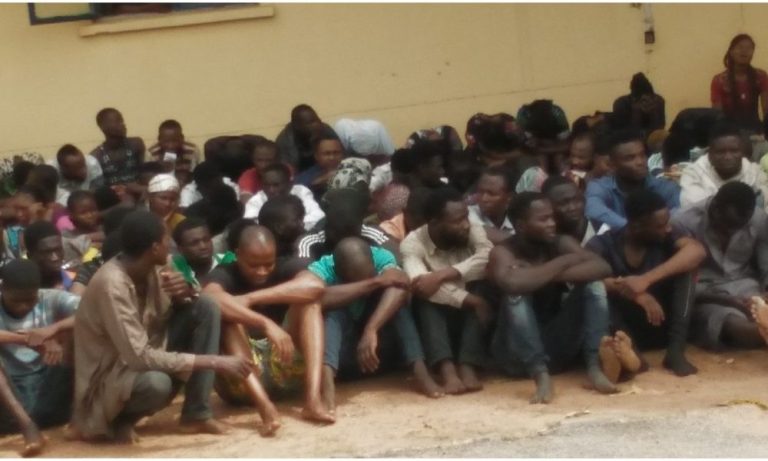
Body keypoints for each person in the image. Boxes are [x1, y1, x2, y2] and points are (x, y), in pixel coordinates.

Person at [72, 211, 255, 442]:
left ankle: (197, 413)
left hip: (150, 349)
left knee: (206, 306)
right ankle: (118, 422)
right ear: (154, 247)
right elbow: (139, 357)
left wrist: (185, 292)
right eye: (166, 239)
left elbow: (177, 310)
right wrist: (215, 362)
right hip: (110, 377)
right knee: (157, 383)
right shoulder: (112, 285)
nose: (170, 244)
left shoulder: (159, 263)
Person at [202, 224, 334, 431]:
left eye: (268, 264)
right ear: (238, 255)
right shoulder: (224, 273)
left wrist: (250, 298)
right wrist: (265, 323)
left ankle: (312, 399)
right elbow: (209, 298)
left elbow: (316, 286)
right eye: (253, 265)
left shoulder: (285, 265)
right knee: (227, 317)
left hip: (286, 367)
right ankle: (264, 406)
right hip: (241, 384)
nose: (262, 271)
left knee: (310, 303)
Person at [488, 192, 617, 403]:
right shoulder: (503, 252)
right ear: (521, 225)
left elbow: (602, 267)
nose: (552, 224)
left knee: (594, 285)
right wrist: (564, 262)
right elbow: (513, 284)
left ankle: (595, 366)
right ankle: (540, 375)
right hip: (515, 354)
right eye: (543, 219)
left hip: (556, 347)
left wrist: (538, 273)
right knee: (516, 295)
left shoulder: (560, 242)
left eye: (552, 217)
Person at [310, 237, 443, 410]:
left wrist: (371, 330)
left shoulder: (381, 256)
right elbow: (317, 299)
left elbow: (400, 284)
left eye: (370, 275)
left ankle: (421, 374)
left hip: (378, 353)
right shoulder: (322, 268)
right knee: (333, 315)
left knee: (397, 306)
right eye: (355, 280)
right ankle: (327, 387)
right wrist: (375, 282)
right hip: (344, 358)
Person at [586, 190, 705, 378]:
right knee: (597, 292)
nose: (667, 229)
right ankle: (633, 357)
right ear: (636, 226)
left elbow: (697, 251)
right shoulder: (604, 243)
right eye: (660, 226)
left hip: (664, 322)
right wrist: (636, 294)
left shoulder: (667, 237)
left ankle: (675, 351)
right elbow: (586, 279)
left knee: (687, 270)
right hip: (624, 327)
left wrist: (646, 279)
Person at [400, 187, 493, 394]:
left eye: (466, 217)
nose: (466, 224)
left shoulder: (473, 229)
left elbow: (488, 257)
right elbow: (421, 285)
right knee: (424, 299)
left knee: (482, 286)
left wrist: (443, 275)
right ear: (434, 223)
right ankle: (447, 370)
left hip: (472, 318)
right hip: (440, 316)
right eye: (457, 221)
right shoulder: (412, 244)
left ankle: (468, 366)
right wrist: (471, 300)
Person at [671, 182, 768, 351]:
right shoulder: (684, 221)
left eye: (740, 226)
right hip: (705, 293)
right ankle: (761, 334)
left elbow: (765, 264)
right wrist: (725, 300)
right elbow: (678, 283)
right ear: (715, 209)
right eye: (729, 226)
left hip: (747, 288)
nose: (732, 232)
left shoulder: (758, 219)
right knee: (729, 321)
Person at [0, 260, 79, 449]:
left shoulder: (50, 298)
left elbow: (91, 312)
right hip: (10, 397)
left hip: (49, 387)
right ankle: (27, 427)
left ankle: (83, 415)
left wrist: (53, 329)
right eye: (16, 300)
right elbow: (31, 340)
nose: (23, 306)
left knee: (80, 333)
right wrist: (26, 340)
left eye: (30, 300)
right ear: (2, 289)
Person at [586, 130, 680, 231]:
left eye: (642, 155)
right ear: (613, 165)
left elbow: (677, 217)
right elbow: (593, 210)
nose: (640, 162)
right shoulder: (600, 186)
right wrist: (634, 230)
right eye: (630, 158)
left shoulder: (665, 187)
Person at [680, 122, 768, 209]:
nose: (728, 157)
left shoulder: (754, 173)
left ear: (741, 152)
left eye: (734, 151)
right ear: (709, 154)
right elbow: (693, 209)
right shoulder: (694, 174)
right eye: (720, 152)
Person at [296, 188, 397, 263]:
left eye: (350, 232)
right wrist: (376, 281)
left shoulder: (373, 234)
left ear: (361, 224)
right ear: (326, 223)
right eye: (337, 232)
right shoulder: (309, 242)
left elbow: (398, 269)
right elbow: (303, 281)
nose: (344, 242)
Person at [711, 34, 768, 135]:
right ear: (731, 52)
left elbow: (766, 110)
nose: (744, 51)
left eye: (749, 48)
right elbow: (717, 116)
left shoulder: (760, 76)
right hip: (728, 133)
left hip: (755, 131)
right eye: (740, 47)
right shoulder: (719, 80)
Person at [243, 163, 324, 231]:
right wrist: (292, 224)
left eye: (276, 185)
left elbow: (319, 217)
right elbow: (250, 226)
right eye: (266, 185)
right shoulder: (256, 201)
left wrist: (286, 226)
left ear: (290, 184)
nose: (271, 190)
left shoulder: (301, 192)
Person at [88, 108, 146, 193]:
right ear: (103, 126)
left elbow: (145, 172)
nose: (123, 125)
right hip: (113, 197)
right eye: (117, 121)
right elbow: (97, 188)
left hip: (140, 193)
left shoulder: (136, 144)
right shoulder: (96, 156)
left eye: (122, 121)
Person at [171, 218, 234, 289]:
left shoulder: (230, 261)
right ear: (180, 249)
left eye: (206, 240)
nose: (203, 247)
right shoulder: (175, 268)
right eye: (194, 243)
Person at [276, 104, 338, 171]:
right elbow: (289, 172)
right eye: (310, 123)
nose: (316, 125)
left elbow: (341, 155)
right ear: (297, 126)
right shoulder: (284, 141)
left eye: (317, 120)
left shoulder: (325, 129)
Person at [542, 175, 599, 246]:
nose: (573, 208)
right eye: (563, 203)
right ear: (547, 205)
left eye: (577, 200)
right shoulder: (543, 239)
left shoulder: (601, 231)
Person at [469, 166, 515, 244]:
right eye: (480, 192)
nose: (484, 198)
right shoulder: (467, 213)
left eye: (491, 194)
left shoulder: (515, 219)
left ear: (509, 197)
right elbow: (483, 232)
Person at [24, 221, 72, 290]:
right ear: (30, 256)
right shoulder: (22, 289)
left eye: (58, 250)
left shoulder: (73, 281)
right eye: (47, 252)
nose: (55, 258)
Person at [295, 134, 344, 201]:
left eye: (336, 153)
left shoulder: (353, 169)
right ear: (316, 156)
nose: (332, 157)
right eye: (327, 153)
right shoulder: (305, 177)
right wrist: (320, 181)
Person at [62, 191, 103, 263]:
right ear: (71, 215)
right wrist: (94, 249)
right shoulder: (69, 239)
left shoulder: (104, 230)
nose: (90, 215)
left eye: (93, 210)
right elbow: (84, 261)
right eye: (83, 213)